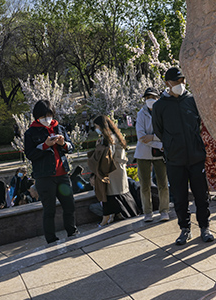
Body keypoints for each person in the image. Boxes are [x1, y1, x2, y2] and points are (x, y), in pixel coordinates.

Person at [152, 66, 214, 246]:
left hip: (195, 157)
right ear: (167, 83)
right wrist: (172, 143)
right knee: (180, 197)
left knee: (201, 195)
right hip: (175, 159)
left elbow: (199, 123)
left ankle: (204, 226)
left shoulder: (192, 100)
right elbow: (159, 130)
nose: (180, 84)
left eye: (182, 80)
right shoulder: (159, 106)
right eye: (176, 81)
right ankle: (185, 229)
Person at [24, 99, 78, 245]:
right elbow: (30, 154)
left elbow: (71, 147)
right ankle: (51, 239)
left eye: (49, 115)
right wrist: (44, 145)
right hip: (45, 177)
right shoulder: (31, 132)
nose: (47, 119)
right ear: (37, 117)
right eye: (43, 116)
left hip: (62, 174)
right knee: (49, 210)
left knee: (69, 205)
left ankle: (72, 231)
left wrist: (63, 144)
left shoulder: (59, 128)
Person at [89, 114, 137, 227]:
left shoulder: (109, 139)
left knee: (110, 195)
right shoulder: (115, 136)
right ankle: (122, 214)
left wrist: (98, 147)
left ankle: (106, 218)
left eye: (97, 126)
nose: (96, 129)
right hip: (117, 170)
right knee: (120, 194)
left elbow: (107, 156)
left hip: (112, 171)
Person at [134, 88, 171, 222]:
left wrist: (153, 137)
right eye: (147, 97)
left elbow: (166, 133)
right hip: (144, 154)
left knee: (163, 183)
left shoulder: (163, 112)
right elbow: (141, 137)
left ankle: (164, 210)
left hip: (159, 154)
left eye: (152, 97)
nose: (150, 100)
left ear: (157, 98)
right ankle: (147, 212)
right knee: (144, 185)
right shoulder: (141, 114)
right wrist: (158, 143)